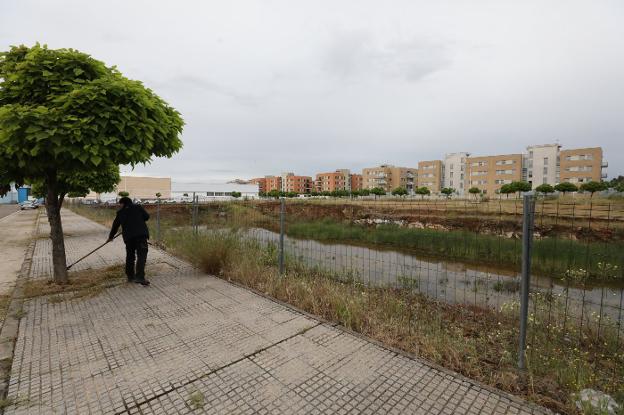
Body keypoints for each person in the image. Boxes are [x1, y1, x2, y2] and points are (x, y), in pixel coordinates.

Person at [108, 197, 151, 286]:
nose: (120, 206)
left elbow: (115, 226)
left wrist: (111, 237)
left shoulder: (120, 213)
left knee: (130, 256)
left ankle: (130, 276)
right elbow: (147, 217)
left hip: (129, 238)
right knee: (141, 255)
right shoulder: (138, 207)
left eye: (120, 204)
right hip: (141, 236)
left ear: (123, 203)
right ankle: (139, 277)